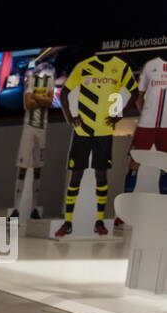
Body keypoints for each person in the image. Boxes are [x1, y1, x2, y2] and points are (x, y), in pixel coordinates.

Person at [56, 52, 136, 237]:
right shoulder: (85, 65)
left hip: (104, 132)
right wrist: (69, 115)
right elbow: (65, 91)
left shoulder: (120, 67)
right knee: (75, 177)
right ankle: (67, 222)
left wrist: (120, 113)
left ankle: (99, 222)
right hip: (82, 131)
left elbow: (134, 92)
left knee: (102, 176)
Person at [115, 54, 167, 227]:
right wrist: (146, 112)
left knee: (165, 165)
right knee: (135, 163)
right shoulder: (150, 65)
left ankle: (163, 211)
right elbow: (139, 95)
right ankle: (124, 213)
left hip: (166, 127)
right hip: (147, 124)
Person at [10, 58, 56, 220]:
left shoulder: (50, 81)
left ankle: (33, 208)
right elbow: (28, 104)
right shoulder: (30, 80)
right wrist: (41, 99)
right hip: (28, 129)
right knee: (23, 166)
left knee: (38, 168)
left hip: (42, 129)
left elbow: (49, 102)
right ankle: (16, 208)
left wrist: (37, 98)